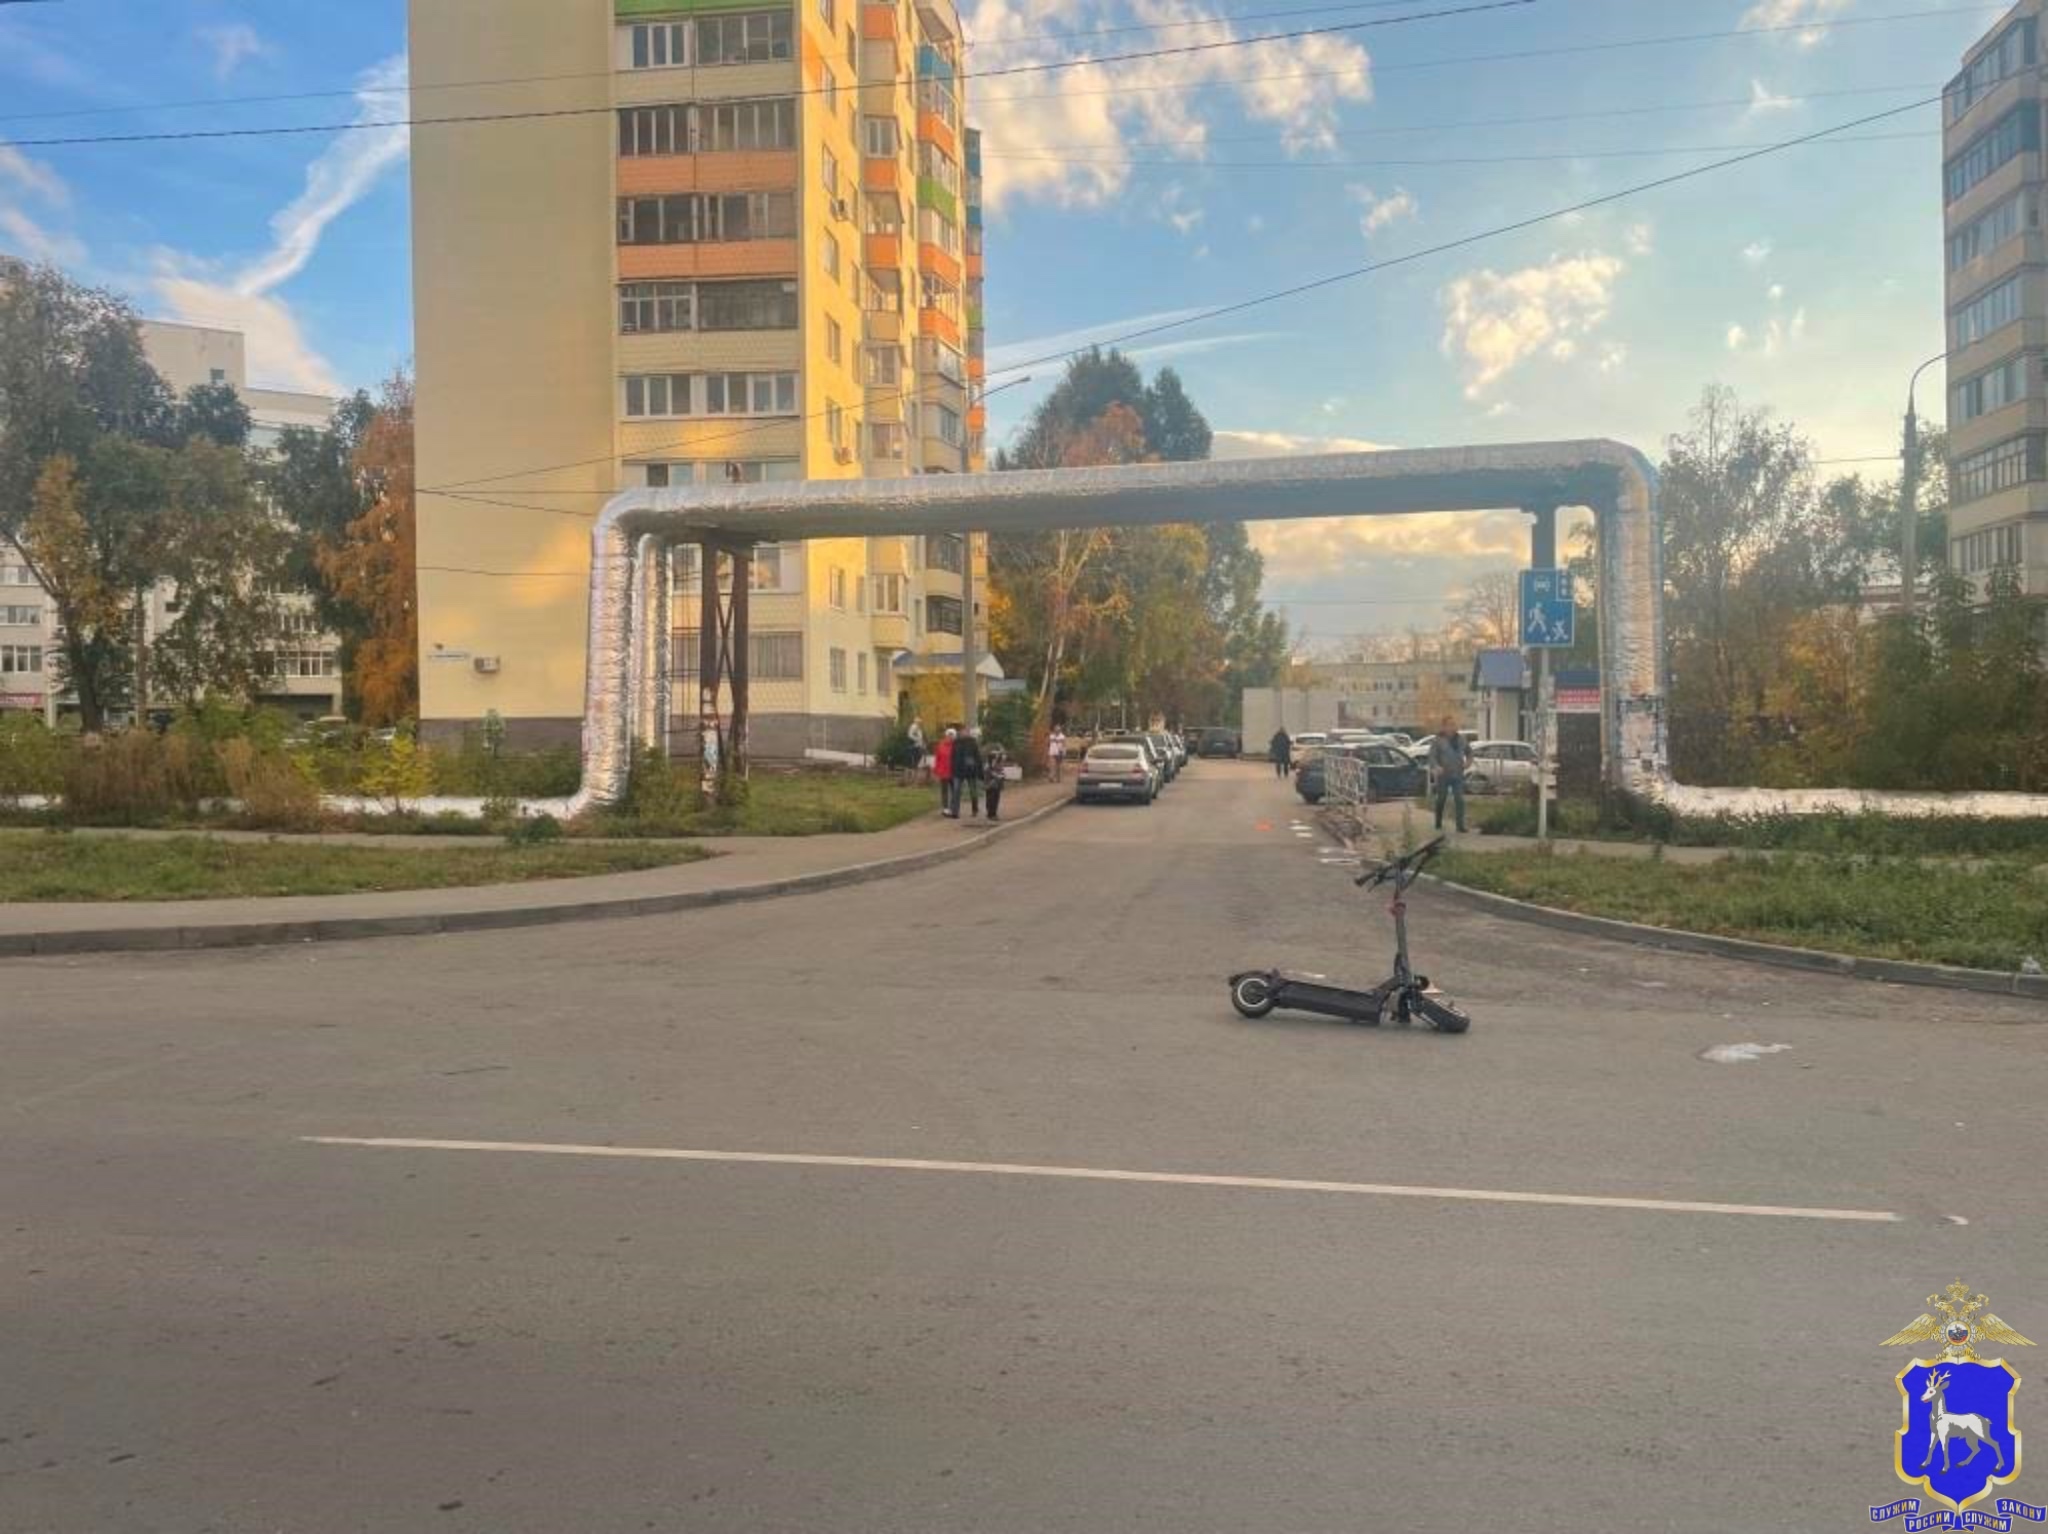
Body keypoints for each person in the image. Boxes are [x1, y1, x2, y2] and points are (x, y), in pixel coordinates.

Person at [1428, 719, 1473, 833]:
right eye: (1449, 725)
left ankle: (1460, 825)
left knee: (1459, 799)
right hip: (1443, 775)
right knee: (1441, 799)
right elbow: (1432, 757)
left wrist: (1468, 762)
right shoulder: (1438, 740)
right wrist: (1436, 767)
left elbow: (1469, 752)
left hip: (1458, 774)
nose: (1451, 727)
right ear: (1443, 727)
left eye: (1453, 725)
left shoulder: (1461, 739)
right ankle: (1438, 822)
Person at [953, 727, 985, 819]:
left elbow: (978, 757)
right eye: (962, 731)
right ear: (960, 733)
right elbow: (953, 756)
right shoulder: (956, 743)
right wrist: (952, 768)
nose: (964, 733)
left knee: (973, 790)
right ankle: (955, 812)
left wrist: (980, 772)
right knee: (956, 791)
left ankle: (975, 809)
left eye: (966, 732)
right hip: (958, 770)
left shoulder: (972, 742)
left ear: (968, 733)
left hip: (970, 770)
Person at [934, 727, 957, 817]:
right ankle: (945, 808)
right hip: (943, 771)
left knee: (955, 790)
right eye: (949, 735)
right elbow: (937, 758)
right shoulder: (941, 745)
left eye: (952, 735)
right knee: (944, 790)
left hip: (954, 772)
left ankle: (952, 807)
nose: (950, 737)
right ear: (946, 736)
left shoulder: (956, 746)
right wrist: (936, 770)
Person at [984, 742, 1009, 822]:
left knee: (996, 799)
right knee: (990, 799)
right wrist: (998, 776)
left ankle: (993, 813)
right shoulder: (988, 766)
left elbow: (1003, 756)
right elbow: (990, 773)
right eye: (995, 758)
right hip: (990, 785)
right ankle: (990, 814)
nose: (996, 759)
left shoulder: (998, 764)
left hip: (996, 785)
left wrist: (1002, 775)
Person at [907, 716, 927, 781]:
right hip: (914, 746)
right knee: (914, 760)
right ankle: (912, 776)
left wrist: (923, 743)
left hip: (918, 746)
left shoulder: (919, 728)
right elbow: (910, 735)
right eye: (919, 722)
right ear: (916, 722)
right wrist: (917, 739)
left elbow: (921, 737)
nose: (920, 723)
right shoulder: (913, 727)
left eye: (920, 722)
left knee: (918, 759)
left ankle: (915, 775)